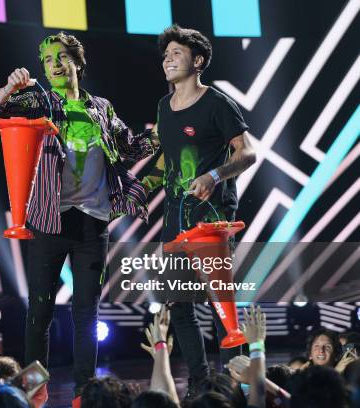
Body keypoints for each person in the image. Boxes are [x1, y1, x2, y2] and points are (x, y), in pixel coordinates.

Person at [0, 32, 158, 399]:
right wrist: (6, 90)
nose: (55, 65)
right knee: (39, 313)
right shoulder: (38, 102)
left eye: (61, 57)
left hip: (93, 220)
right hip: (50, 218)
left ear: (78, 62)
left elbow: (127, 149)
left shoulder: (101, 107)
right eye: (47, 60)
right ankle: (32, 394)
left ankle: (84, 393)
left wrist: (161, 133)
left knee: (86, 315)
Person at [148, 24, 256, 394]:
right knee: (178, 303)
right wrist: (139, 189)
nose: (168, 59)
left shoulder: (218, 103)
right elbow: (168, 162)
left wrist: (215, 174)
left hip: (211, 218)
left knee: (221, 304)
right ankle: (200, 384)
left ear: (198, 61)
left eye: (176, 53)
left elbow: (248, 153)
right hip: (174, 219)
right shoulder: (163, 106)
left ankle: (238, 384)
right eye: (166, 54)